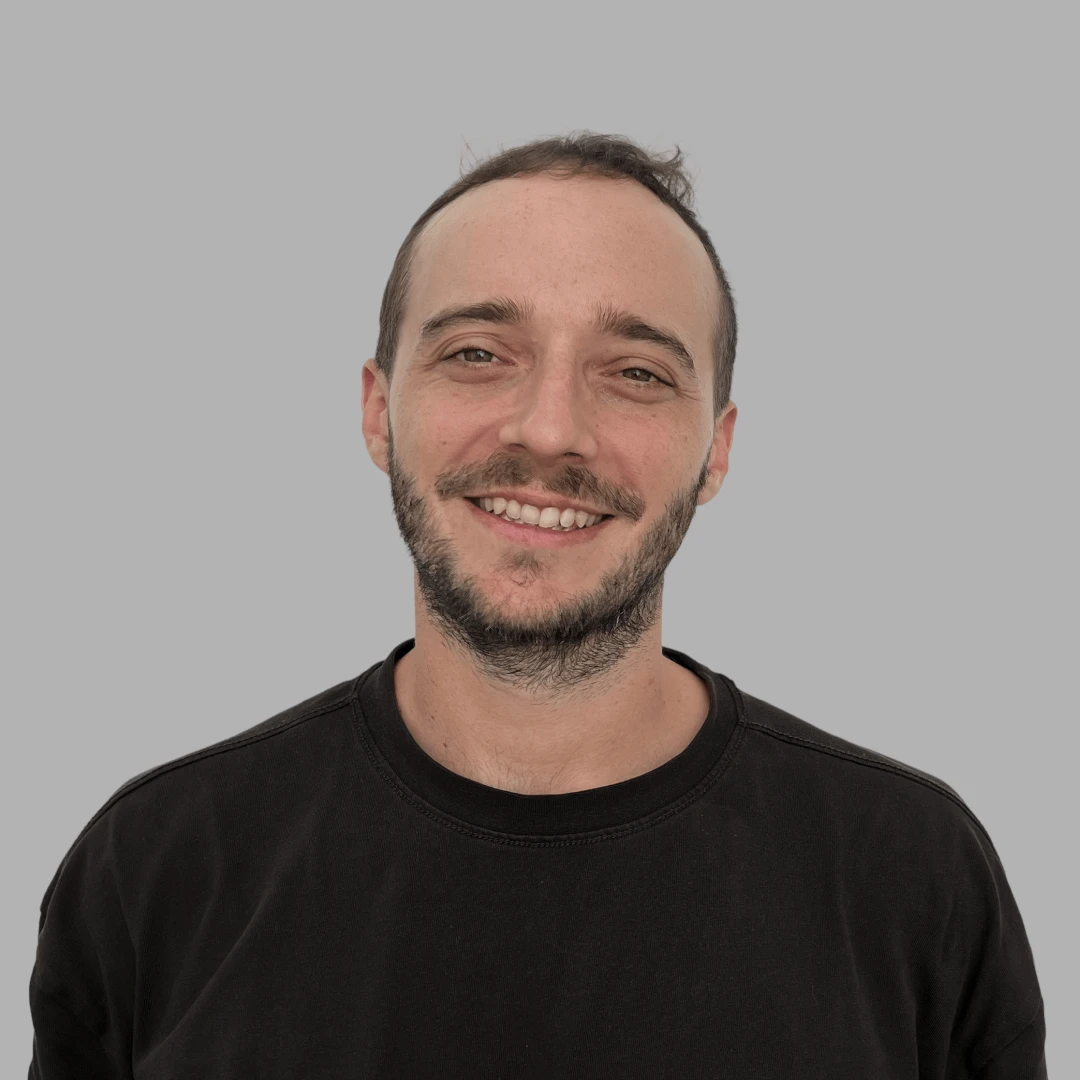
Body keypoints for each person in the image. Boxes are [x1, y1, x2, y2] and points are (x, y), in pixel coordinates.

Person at [29, 132, 1047, 1078]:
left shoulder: (913, 881)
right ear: (380, 411)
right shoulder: (155, 873)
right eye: (477, 352)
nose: (551, 428)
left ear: (718, 450)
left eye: (637, 372)